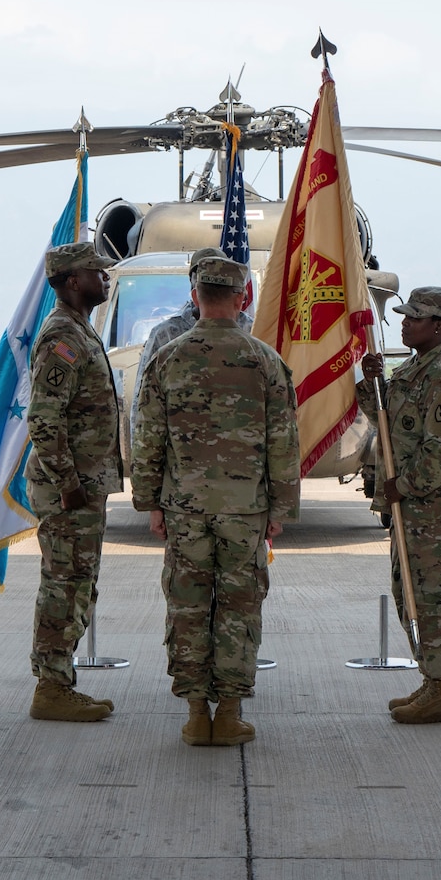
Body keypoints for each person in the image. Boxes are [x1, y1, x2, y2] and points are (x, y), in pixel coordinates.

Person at [132, 255, 300, 746]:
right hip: (245, 511)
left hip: (184, 510)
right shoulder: (265, 361)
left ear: (195, 296)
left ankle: (193, 714)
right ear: (242, 297)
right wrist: (280, 509)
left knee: (187, 605)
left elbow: (147, 440)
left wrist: (152, 504)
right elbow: (283, 443)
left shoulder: (168, 358)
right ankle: (228, 713)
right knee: (239, 608)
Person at [357, 286, 441, 724]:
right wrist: (371, 383)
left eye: (414, 317)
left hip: (437, 510)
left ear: (439, 327)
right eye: (406, 316)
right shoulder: (414, 370)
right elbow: (389, 426)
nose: (405, 322)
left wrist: (401, 487)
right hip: (416, 509)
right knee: (409, 594)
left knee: (432, 599)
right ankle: (433, 681)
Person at [24, 241, 124, 722]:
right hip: (70, 489)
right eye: (95, 272)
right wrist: (67, 483)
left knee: (77, 584)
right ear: (70, 281)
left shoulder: (80, 331)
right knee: (65, 585)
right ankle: (52, 687)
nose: (104, 279)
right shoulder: (62, 337)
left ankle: (57, 682)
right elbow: (44, 419)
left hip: (82, 485)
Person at [128, 248, 254, 437]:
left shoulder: (251, 330)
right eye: (201, 274)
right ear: (193, 285)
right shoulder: (166, 335)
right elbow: (142, 407)